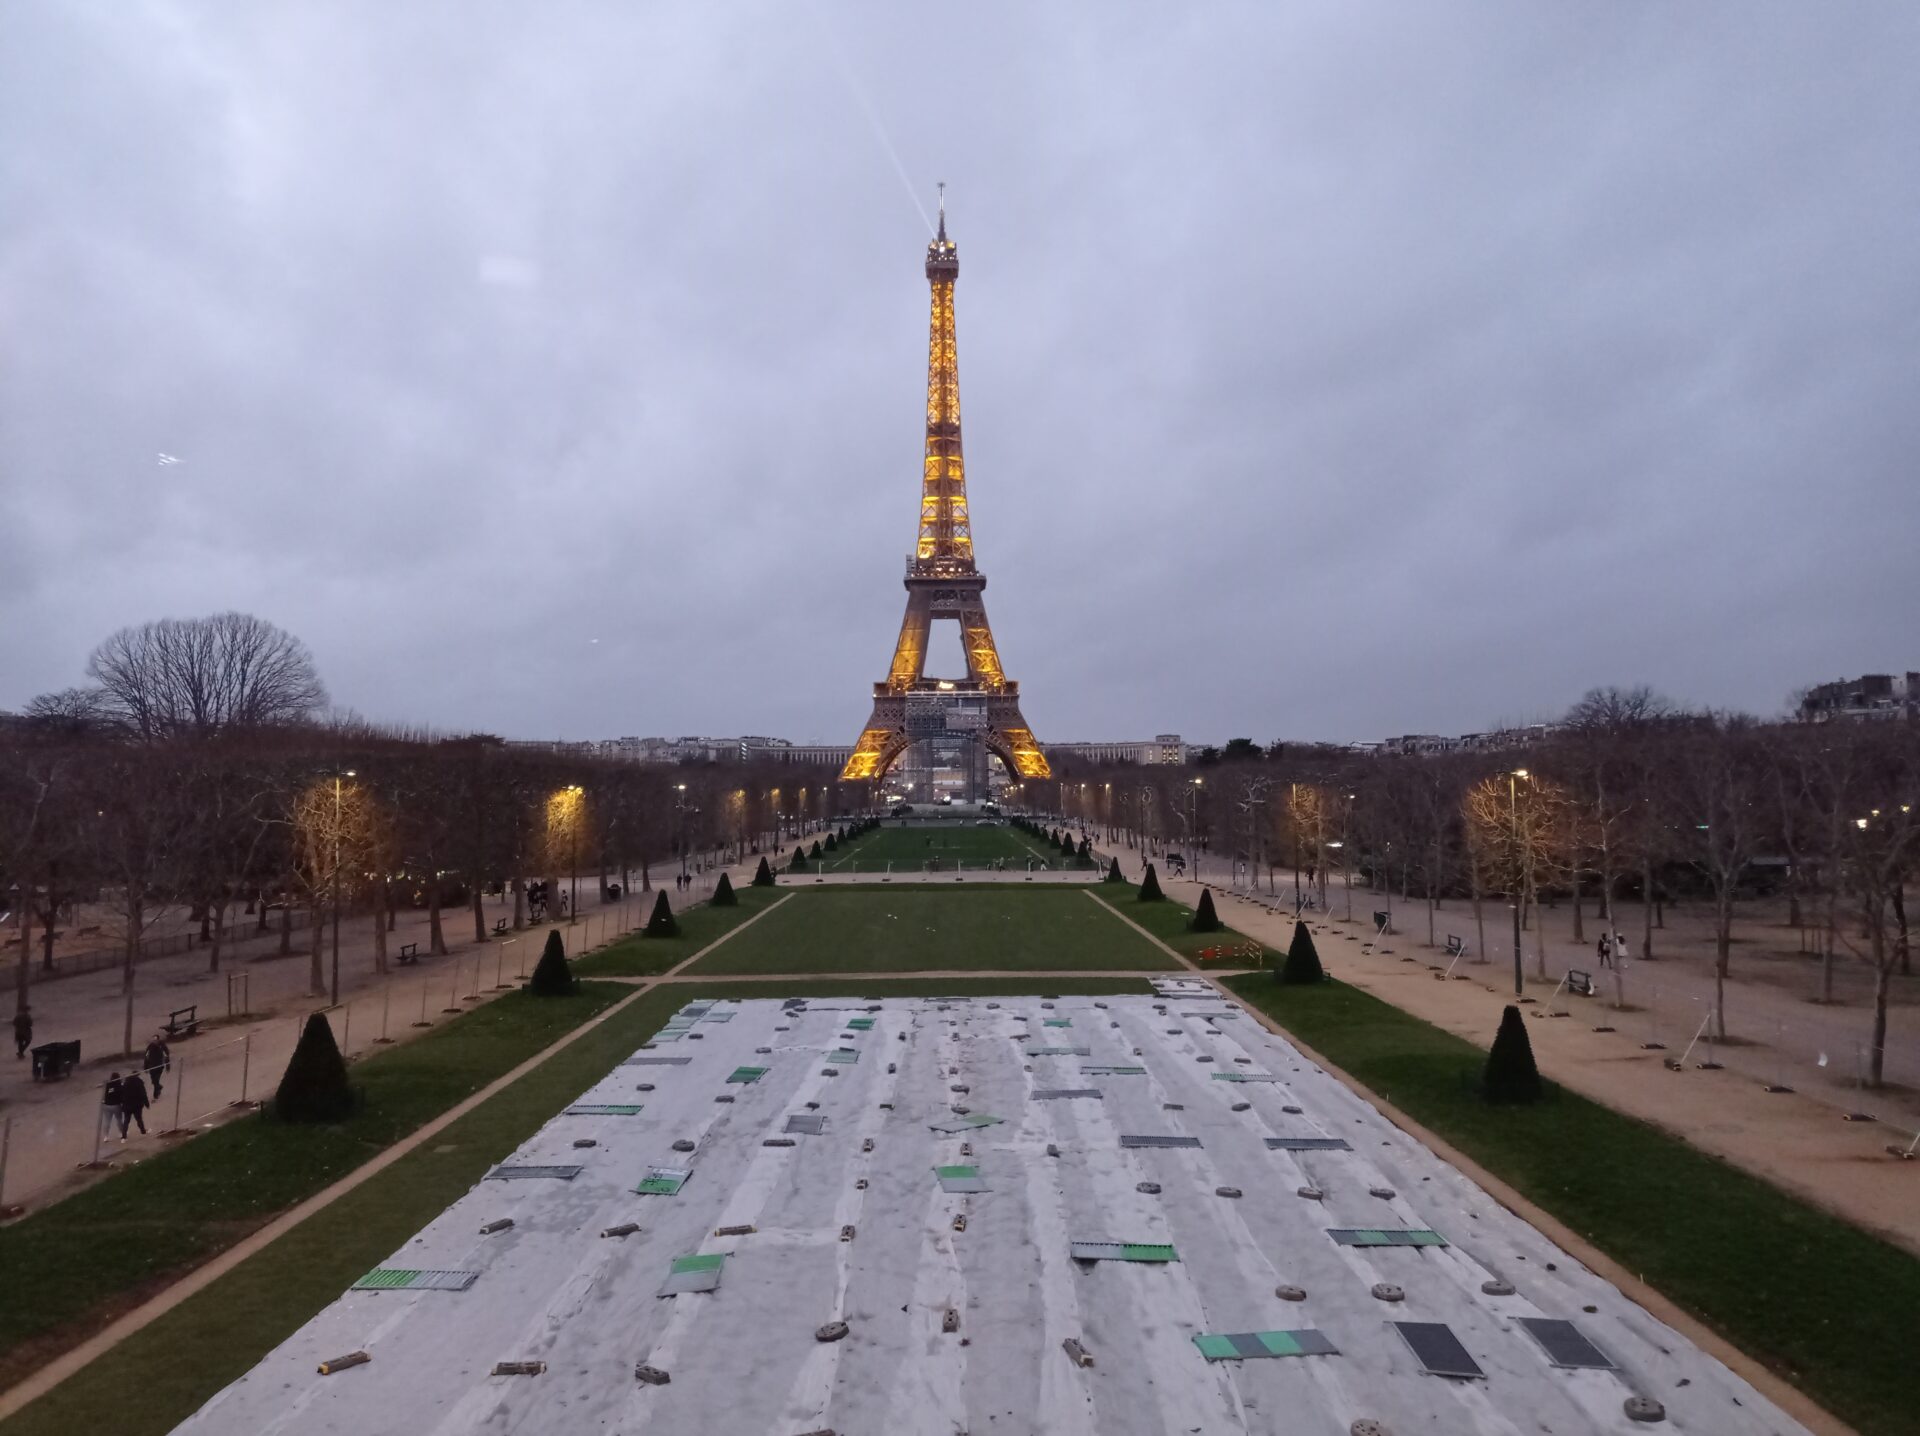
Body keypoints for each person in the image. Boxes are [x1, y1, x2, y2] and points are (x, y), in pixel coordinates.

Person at [116, 1066, 150, 1138]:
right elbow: (143, 1094)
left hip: (127, 1106)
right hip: (137, 1105)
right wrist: (147, 1103)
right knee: (139, 1119)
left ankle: (124, 1135)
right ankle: (143, 1131)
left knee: (126, 1120)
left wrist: (122, 1103)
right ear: (137, 1075)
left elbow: (121, 1094)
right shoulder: (139, 1082)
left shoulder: (125, 1083)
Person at [144, 1033, 171, 1098]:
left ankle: (155, 1095)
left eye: (155, 1040)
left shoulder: (162, 1047)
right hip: (151, 1066)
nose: (154, 1041)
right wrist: (146, 1067)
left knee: (156, 1080)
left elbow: (166, 1057)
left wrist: (167, 1066)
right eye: (153, 1040)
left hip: (159, 1066)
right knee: (153, 1081)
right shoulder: (150, 1047)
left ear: (158, 1040)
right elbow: (146, 1056)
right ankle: (159, 1087)